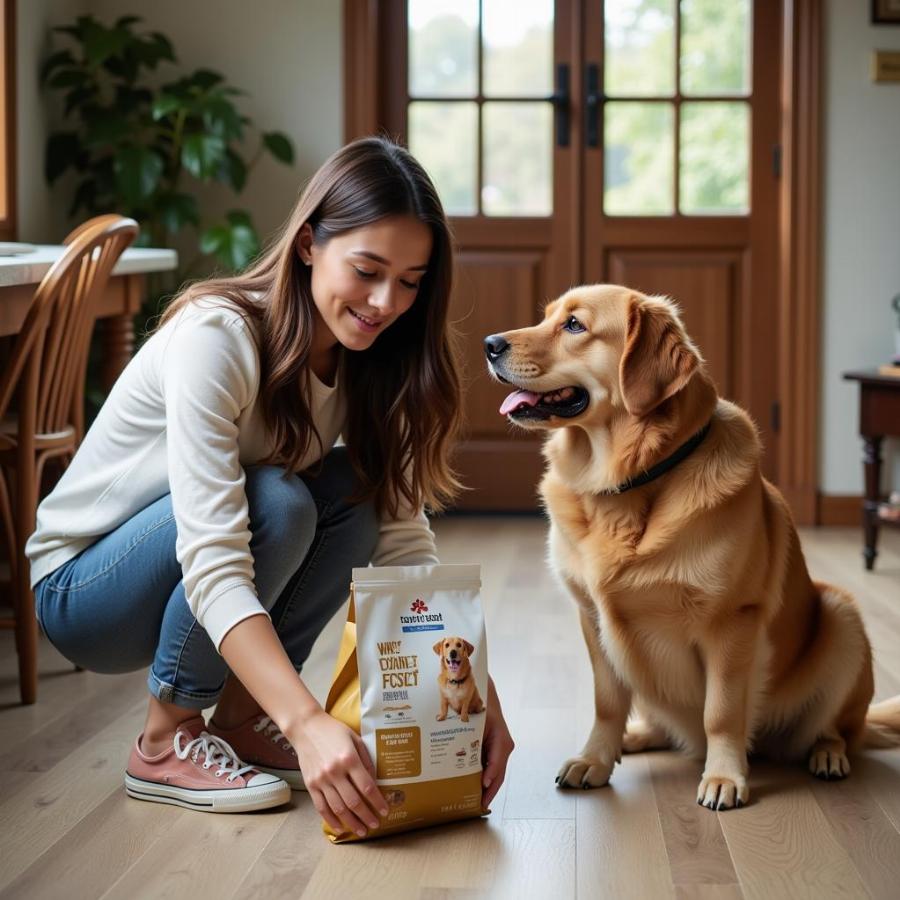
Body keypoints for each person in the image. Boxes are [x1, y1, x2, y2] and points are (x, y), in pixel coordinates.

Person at [26, 136, 514, 836]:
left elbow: (405, 545)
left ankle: (242, 719)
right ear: (310, 242)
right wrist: (309, 721)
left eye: (410, 281)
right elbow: (214, 557)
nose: (386, 302)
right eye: (368, 270)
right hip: (83, 591)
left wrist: (478, 701)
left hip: (185, 580)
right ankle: (165, 738)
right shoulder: (216, 337)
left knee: (353, 492)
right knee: (278, 501)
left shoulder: (375, 363)